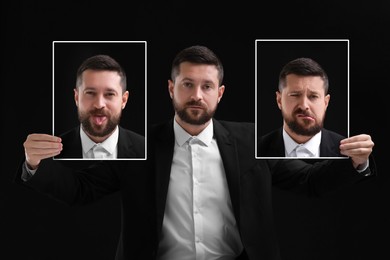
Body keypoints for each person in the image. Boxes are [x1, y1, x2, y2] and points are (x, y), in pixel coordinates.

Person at [16, 45, 376, 260]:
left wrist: (355, 164)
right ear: (172, 89)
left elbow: (309, 183)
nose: (197, 95)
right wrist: (35, 164)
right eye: (188, 85)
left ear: (220, 92)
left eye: (207, 86)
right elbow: (81, 190)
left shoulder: (253, 143)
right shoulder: (137, 148)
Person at [55, 54, 145, 159]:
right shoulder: (52, 153)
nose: (99, 104)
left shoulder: (146, 149)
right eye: (90, 93)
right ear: (76, 97)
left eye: (110, 94)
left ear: (124, 100)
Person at [259, 57, 347, 158]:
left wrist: (362, 166)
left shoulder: (347, 151)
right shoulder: (255, 149)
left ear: (325, 103)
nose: (304, 105)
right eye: (295, 95)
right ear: (279, 100)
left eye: (313, 96)